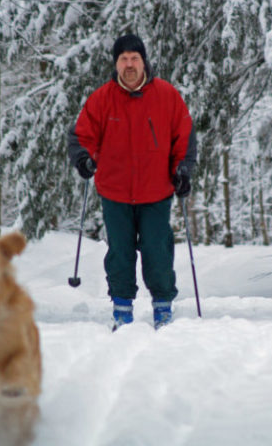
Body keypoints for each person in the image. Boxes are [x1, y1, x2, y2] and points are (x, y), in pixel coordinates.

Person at [67, 33, 197, 330]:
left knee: (157, 250)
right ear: (116, 64)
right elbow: (80, 136)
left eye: (134, 58)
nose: (129, 64)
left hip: (156, 191)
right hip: (115, 193)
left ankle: (163, 308)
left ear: (144, 62)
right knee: (120, 253)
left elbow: (184, 136)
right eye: (123, 59)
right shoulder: (101, 99)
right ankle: (121, 310)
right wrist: (84, 160)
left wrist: (183, 169)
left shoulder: (166, 95)